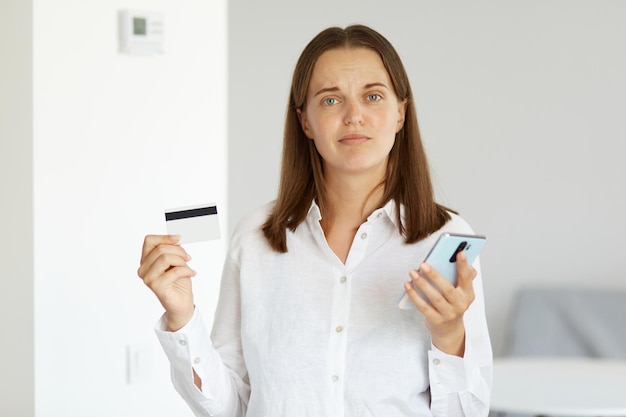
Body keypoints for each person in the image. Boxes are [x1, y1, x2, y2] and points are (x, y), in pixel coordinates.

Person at [138, 24, 492, 417]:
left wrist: (448, 335)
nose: (354, 116)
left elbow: (467, 413)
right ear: (304, 121)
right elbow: (231, 407)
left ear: (400, 113)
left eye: (373, 96)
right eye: (329, 100)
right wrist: (182, 317)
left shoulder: (447, 239)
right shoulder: (255, 239)